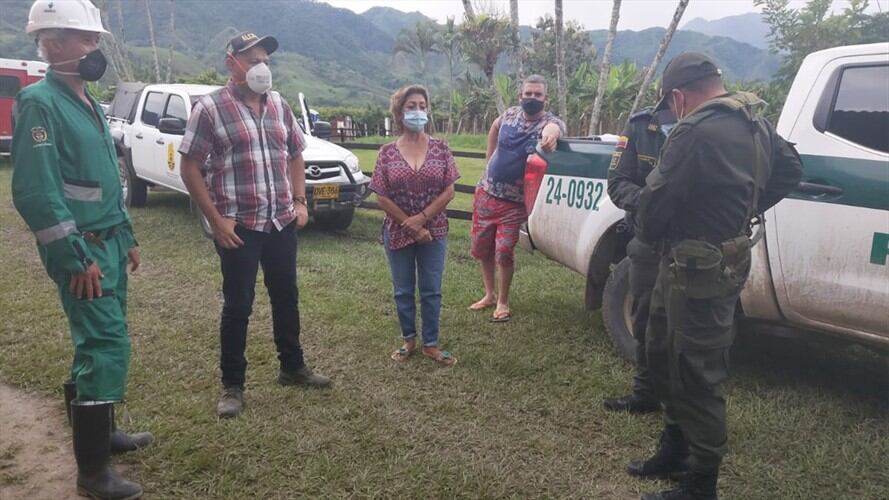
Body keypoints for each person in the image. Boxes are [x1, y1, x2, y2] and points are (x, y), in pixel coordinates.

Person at [628, 53, 803, 500]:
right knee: (665, 350)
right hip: (700, 260)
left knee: (697, 368)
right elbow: (790, 169)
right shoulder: (753, 121)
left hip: (695, 265)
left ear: (679, 97)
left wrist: (653, 228)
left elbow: (655, 199)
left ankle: (701, 481)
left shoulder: (695, 128)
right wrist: (744, 207)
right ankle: (674, 449)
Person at [11, 1, 153, 498]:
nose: (94, 47)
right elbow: (37, 191)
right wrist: (76, 256)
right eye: (83, 38)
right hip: (83, 252)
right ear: (51, 44)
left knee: (98, 340)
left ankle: (101, 429)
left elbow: (101, 181)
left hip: (109, 241)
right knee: (105, 343)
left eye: (94, 39)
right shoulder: (40, 103)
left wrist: (127, 233)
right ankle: (92, 473)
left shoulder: (89, 100)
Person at [179, 31, 331, 420]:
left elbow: (296, 154)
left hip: (280, 220)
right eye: (252, 59)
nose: (261, 67)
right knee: (238, 305)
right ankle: (232, 385)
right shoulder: (210, 109)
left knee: (286, 296)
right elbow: (190, 166)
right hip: (239, 225)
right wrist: (215, 219)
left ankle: (292, 367)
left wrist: (299, 202)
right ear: (231, 63)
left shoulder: (279, 105)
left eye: (265, 59)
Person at [369, 85, 460, 366]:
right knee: (403, 289)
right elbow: (381, 195)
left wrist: (421, 219)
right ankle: (408, 339)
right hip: (397, 230)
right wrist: (409, 225)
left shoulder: (441, 147)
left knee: (432, 288)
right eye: (411, 106)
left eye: (422, 105)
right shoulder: (386, 153)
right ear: (399, 112)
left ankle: (430, 344)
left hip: (434, 231)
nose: (418, 111)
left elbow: (449, 190)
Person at [469, 75, 565, 322]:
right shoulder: (510, 114)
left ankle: (502, 301)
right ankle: (488, 294)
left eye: (538, 95)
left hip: (514, 204)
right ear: (520, 95)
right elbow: (494, 126)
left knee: (503, 251)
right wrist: (488, 161)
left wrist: (551, 136)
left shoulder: (550, 122)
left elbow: (554, 129)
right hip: (486, 194)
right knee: (482, 248)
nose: (532, 98)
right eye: (528, 94)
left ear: (546, 98)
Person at [603, 105, 676, 414]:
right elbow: (618, 182)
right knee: (645, 318)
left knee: (690, 325)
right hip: (648, 240)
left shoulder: (717, 124)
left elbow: (784, 168)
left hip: (698, 243)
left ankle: (681, 403)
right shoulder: (641, 125)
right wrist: (649, 204)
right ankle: (645, 393)